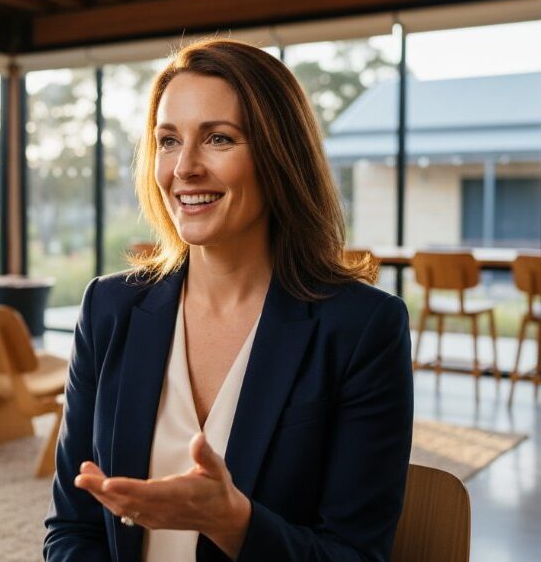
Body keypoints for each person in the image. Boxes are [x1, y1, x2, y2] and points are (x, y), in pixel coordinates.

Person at [43, 38, 413, 562]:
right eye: (168, 141)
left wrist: (233, 523)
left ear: (279, 155)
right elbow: (71, 529)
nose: (185, 168)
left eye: (218, 138)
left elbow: (354, 555)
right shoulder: (108, 309)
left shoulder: (362, 327)